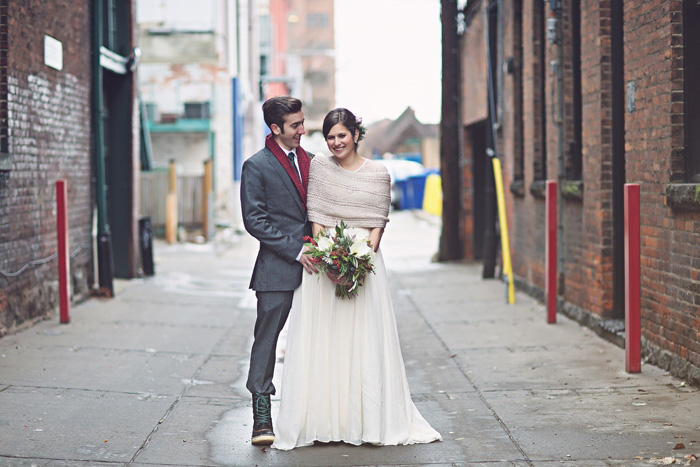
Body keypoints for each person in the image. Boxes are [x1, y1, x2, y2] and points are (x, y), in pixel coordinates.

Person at [272, 108, 441, 450]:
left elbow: (378, 223)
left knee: (363, 339)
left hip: (365, 264)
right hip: (324, 265)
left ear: (355, 135)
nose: (336, 142)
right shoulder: (319, 167)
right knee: (327, 339)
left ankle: (365, 421)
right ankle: (323, 420)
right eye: (330, 137)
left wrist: (358, 263)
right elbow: (316, 216)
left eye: (341, 136)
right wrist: (330, 260)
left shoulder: (379, 173)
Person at [240, 96, 319, 446]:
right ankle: (261, 414)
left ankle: (317, 411)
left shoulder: (315, 162)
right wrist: (296, 250)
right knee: (267, 340)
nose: (303, 129)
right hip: (277, 267)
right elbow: (254, 220)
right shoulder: (255, 166)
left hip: (321, 269)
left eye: (303, 122)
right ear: (275, 129)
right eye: (295, 125)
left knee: (321, 340)